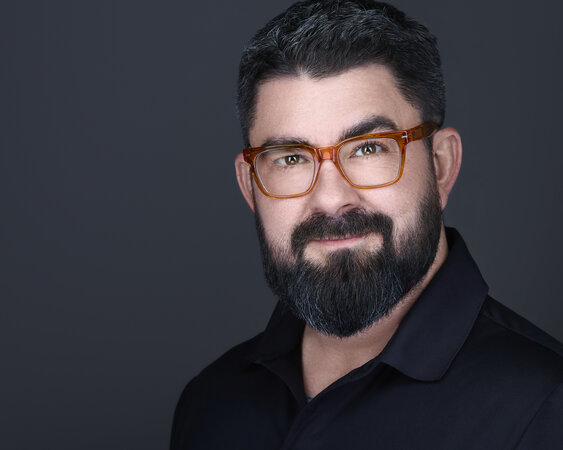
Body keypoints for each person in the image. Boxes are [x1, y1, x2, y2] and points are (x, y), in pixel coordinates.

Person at [170, 1, 563, 448]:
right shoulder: (211, 402)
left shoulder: (545, 406)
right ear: (250, 185)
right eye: (292, 158)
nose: (331, 198)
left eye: (368, 148)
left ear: (440, 166)